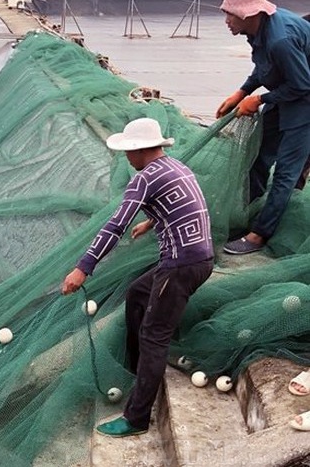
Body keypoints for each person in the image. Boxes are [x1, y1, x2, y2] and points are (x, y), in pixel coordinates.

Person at [62, 118, 214, 437]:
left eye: (128, 152)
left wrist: (83, 267)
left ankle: (137, 418)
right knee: (137, 293)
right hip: (201, 258)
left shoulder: (144, 179)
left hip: (180, 266)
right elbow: (184, 208)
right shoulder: (176, 166)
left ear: (139, 150)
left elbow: (114, 226)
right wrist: (152, 222)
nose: (126, 159)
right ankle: (138, 367)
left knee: (154, 336)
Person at [215, 0, 310, 255]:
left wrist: (258, 99)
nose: (227, 22)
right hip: (286, 92)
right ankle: (250, 212)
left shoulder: (282, 39)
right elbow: (266, 66)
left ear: (251, 15)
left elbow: (302, 85)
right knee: (257, 155)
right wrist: (243, 91)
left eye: (231, 16)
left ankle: (259, 234)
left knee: (286, 173)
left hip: (304, 100)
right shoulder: (261, 30)